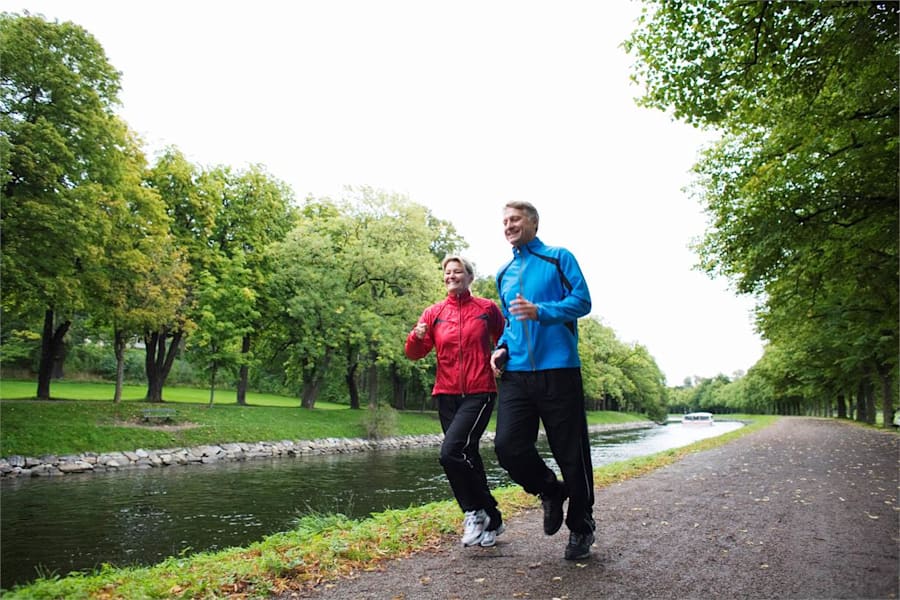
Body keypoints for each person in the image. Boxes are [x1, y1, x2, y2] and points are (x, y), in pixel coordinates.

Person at [489, 200, 596, 561]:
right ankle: (550, 490)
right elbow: (508, 322)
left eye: (515, 219)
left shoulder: (558, 257)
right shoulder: (504, 273)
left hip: (559, 369)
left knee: (571, 454)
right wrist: (501, 348)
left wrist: (542, 312)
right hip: (517, 373)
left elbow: (582, 301)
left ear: (533, 222)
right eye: (504, 221)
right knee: (507, 446)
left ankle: (581, 528)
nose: (508, 225)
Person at [405, 255, 506, 547]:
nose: (452, 276)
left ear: (469, 277)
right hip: (446, 394)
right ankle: (491, 521)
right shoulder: (433, 312)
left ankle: (476, 511)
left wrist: (500, 355)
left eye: (457, 272)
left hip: (479, 391)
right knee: (469, 455)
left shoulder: (486, 308)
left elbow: (505, 338)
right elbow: (414, 353)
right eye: (447, 272)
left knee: (449, 453)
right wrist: (416, 335)